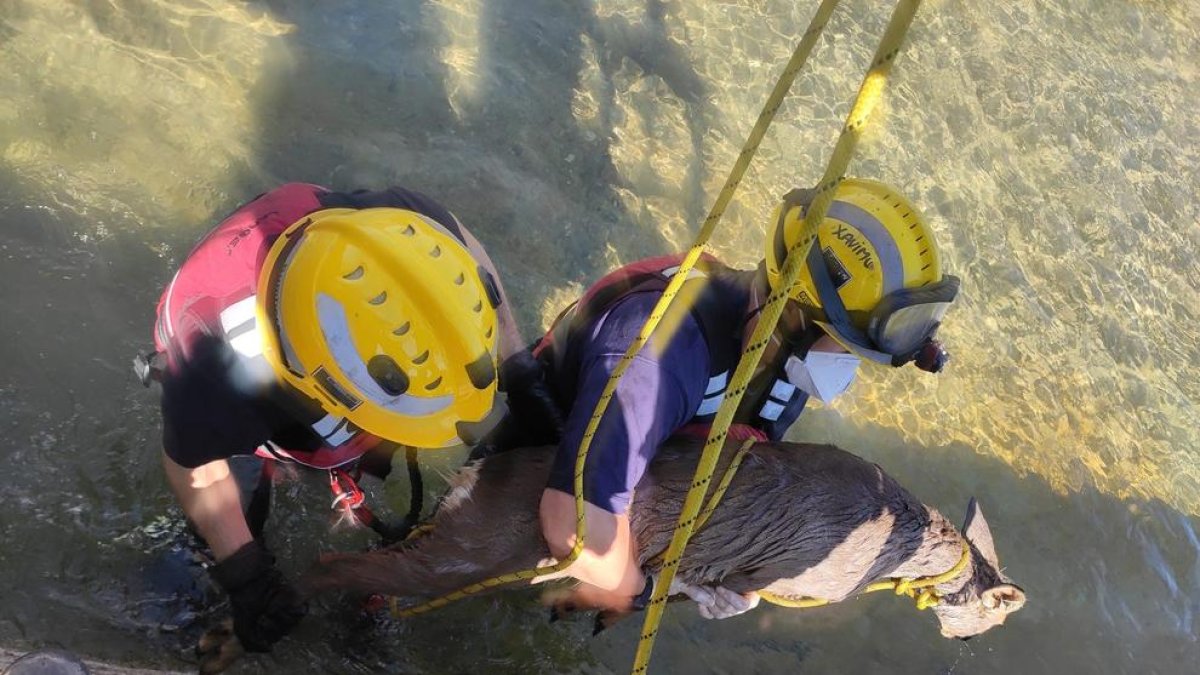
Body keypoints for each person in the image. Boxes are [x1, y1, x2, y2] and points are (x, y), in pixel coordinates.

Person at [141, 183, 554, 654]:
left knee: (342, 454)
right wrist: (245, 575)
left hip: (308, 288)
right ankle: (188, 580)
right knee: (232, 523)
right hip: (246, 371)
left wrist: (518, 367)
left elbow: (464, 251)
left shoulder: (397, 230)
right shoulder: (210, 369)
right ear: (321, 385)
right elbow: (194, 468)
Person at [531, 178, 959, 619]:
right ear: (799, 312)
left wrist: (729, 573)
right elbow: (574, 530)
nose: (849, 368)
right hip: (538, 473)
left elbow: (741, 466)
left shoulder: (782, 357)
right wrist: (647, 589)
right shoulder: (660, 352)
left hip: (631, 478)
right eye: (848, 349)